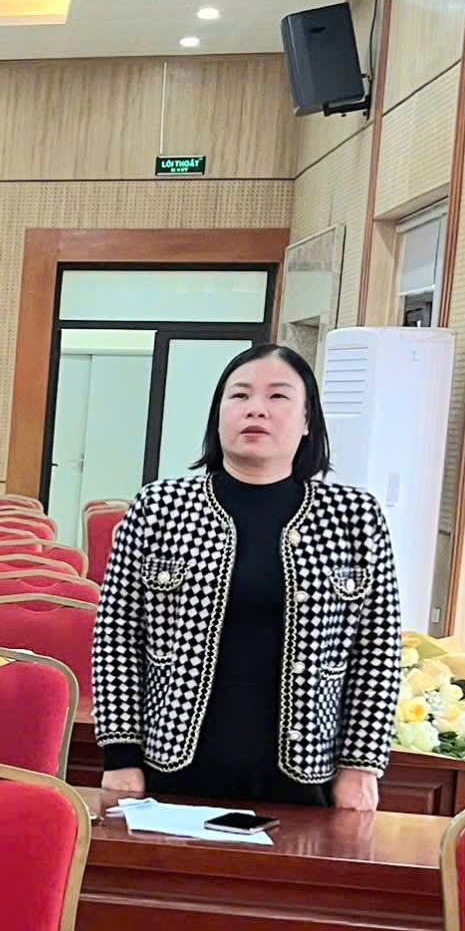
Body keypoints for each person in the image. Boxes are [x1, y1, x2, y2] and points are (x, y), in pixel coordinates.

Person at [94, 344, 399, 810]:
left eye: (278, 396)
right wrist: (120, 755)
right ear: (218, 416)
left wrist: (361, 766)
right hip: (170, 764)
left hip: (306, 771)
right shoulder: (160, 508)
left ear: (307, 421)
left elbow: (378, 649)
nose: (256, 408)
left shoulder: (354, 516)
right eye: (239, 395)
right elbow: (116, 634)